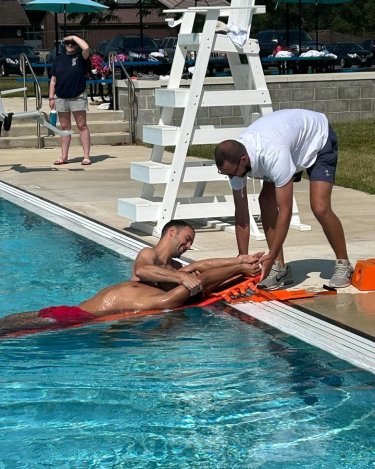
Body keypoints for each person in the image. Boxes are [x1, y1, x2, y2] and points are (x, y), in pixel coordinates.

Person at [0, 220, 263, 336]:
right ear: (171, 232)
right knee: (11, 328)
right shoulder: (148, 254)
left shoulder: (173, 268)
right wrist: (183, 279)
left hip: (81, 314)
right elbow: (142, 272)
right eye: (187, 239)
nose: (188, 246)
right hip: (77, 315)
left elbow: (201, 267)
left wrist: (238, 261)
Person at [214, 108, 353, 290]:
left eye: (232, 174)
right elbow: (241, 215)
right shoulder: (234, 165)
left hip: (317, 138)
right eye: (227, 175)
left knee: (319, 206)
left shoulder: (273, 154)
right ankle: (280, 268)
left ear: (244, 159)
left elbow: (285, 210)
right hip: (289, 143)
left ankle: (344, 264)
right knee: (265, 202)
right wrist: (243, 260)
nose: (232, 178)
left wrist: (270, 254)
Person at [49, 35, 91, 166]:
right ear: (64, 45)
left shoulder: (80, 57)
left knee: (81, 125)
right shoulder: (59, 59)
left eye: (73, 43)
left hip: (77, 96)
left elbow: (86, 47)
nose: (70, 45)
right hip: (61, 97)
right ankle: (64, 156)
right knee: (64, 127)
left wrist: (73, 36)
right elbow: (53, 80)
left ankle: (86, 156)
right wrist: (51, 97)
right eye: (68, 43)